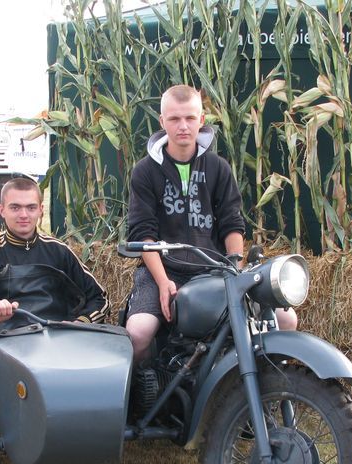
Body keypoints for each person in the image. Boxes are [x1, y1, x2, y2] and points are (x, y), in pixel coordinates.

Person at [125, 84, 296, 362]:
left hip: (215, 269)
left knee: (285, 320)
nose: (183, 126)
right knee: (139, 332)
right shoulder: (145, 171)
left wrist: (234, 269)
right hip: (164, 269)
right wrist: (163, 281)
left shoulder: (218, 167)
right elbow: (144, 234)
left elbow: (232, 223)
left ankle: (262, 395)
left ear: (201, 120)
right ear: (162, 122)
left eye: (190, 118)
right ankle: (146, 397)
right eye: (174, 119)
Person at [0, 176, 109, 326]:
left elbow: (99, 298)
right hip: (8, 338)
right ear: (2, 210)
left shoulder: (59, 251)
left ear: (41, 210)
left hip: (59, 337)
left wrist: (81, 322)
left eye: (31, 207)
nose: (24, 215)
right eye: (15, 207)